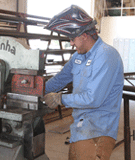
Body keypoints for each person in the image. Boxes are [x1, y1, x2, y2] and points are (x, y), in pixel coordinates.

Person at [44, 5, 124, 160]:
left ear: (84, 35)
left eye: (72, 39)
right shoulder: (78, 57)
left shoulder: (106, 56)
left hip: (99, 129)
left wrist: (60, 99)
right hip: (81, 126)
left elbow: (92, 99)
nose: (71, 43)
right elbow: (61, 79)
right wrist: (37, 89)